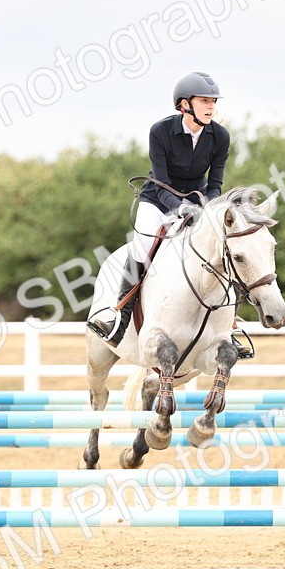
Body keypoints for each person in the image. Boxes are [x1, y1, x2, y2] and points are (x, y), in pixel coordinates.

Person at [88, 72, 252, 358]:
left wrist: (207, 210)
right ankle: (120, 316)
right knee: (141, 249)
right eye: (204, 101)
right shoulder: (161, 131)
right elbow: (161, 180)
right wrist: (179, 209)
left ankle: (230, 326)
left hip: (199, 203)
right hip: (157, 202)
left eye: (213, 101)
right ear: (184, 105)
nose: (211, 106)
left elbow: (215, 185)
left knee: (221, 249)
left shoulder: (220, 137)